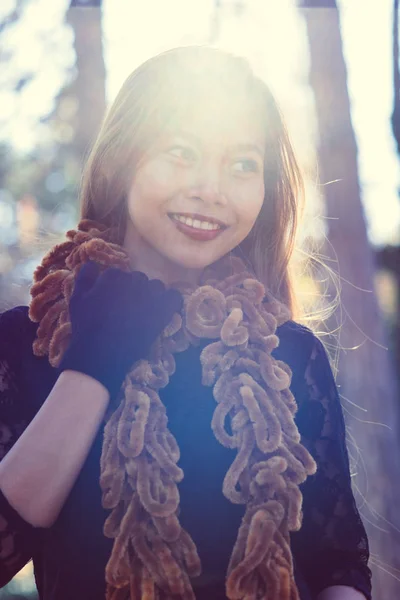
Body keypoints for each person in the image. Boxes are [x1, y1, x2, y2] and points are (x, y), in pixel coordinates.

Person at [0, 46, 372, 600]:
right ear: (121, 161)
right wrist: (92, 366)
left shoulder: (291, 356)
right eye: (181, 152)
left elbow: (338, 568)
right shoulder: (32, 341)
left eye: (243, 164)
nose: (212, 189)